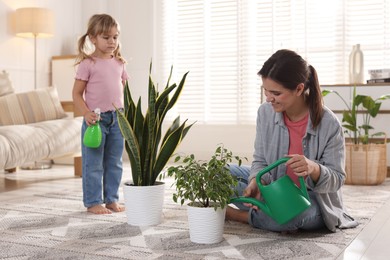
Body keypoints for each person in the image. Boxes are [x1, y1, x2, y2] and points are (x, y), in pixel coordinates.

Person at [227, 49, 358, 232]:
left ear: (299, 88)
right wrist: (257, 181)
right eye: (266, 91)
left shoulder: (329, 124)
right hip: (275, 187)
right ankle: (267, 206)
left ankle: (239, 215)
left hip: (311, 199)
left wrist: (313, 168)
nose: (269, 98)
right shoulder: (265, 112)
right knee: (218, 173)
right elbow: (260, 161)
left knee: (294, 216)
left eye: (276, 93)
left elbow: (337, 178)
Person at [72, 14, 129, 214]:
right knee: (93, 163)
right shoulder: (88, 64)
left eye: (115, 37)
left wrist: (126, 117)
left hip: (117, 119)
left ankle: (111, 199)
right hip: (95, 120)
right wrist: (86, 113)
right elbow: (76, 94)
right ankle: (93, 202)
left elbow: (124, 93)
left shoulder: (120, 63)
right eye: (106, 37)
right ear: (93, 38)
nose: (112, 41)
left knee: (114, 162)